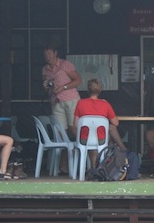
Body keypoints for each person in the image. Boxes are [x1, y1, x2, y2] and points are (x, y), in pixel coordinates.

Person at [42, 43, 82, 173]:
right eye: (45, 55)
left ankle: (82, 159)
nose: (48, 57)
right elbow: (47, 88)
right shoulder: (45, 70)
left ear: (55, 53)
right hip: (56, 101)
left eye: (49, 54)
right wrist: (46, 86)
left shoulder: (65, 64)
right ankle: (64, 166)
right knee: (60, 133)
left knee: (74, 129)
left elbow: (78, 80)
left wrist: (63, 87)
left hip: (70, 99)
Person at [72, 78, 126, 169]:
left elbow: (76, 124)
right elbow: (116, 123)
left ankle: (93, 168)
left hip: (84, 139)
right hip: (101, 139)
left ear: (88, 90)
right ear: (100, 90)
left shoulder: (80, 103)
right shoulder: (105, 104)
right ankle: (122, 151)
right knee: (111, 129)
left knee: (94, 140)